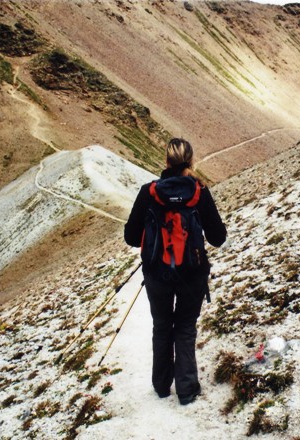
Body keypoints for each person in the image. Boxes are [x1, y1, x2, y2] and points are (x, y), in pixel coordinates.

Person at [124, 138, 226, 405]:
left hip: (157, 273)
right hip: (193, 273)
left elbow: (131, 237)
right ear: (191, 162)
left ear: (166, 161)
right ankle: (187, 389)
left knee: (161, 326)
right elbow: (218, 237)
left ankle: (161, 386)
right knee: (184, 327)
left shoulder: (149, 192)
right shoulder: (199, 191)